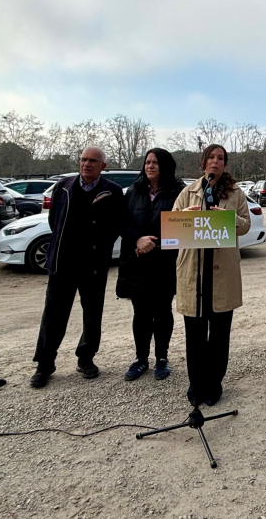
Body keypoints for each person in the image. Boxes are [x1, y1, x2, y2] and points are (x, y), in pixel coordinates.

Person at [31, 146, 136, 388]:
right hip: (63, 262)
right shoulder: (63, 186)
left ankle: (86, 358)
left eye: (92, 161)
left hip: (94, 264)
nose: (86, 164)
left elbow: (118, 223)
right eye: (83, 159)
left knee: (92, 314)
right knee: (54, 315)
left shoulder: (112, 190)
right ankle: (45, 364)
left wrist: (102, 246)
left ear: (103, 166)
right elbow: (54, 220)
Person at [172, 144, 250, 406]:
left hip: (222, 274)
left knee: (219, 335)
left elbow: (245, 225)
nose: (215, 162)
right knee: (194, 336)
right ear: (203, 162)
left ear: (225, 164)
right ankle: (196, 385)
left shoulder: (236, 193)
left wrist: (228, 218)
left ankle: (214, 384)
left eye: (220, 158)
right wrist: (183, 217)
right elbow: (172, 228)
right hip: (194, 274)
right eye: (211, 158)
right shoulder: (188, 192)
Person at [116, 148, 186, 382]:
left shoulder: (179, 191)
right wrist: (138, 239)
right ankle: (141, 359)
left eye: (155, 162)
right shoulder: (133, 191)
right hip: (136, 261)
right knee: (141, 312)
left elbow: (183, 225)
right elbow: (122, 221)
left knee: (162, 311)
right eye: (147, 162)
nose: (150, 166)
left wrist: (154, 243)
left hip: (165, 262)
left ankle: (162, 358)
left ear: (166, 166)